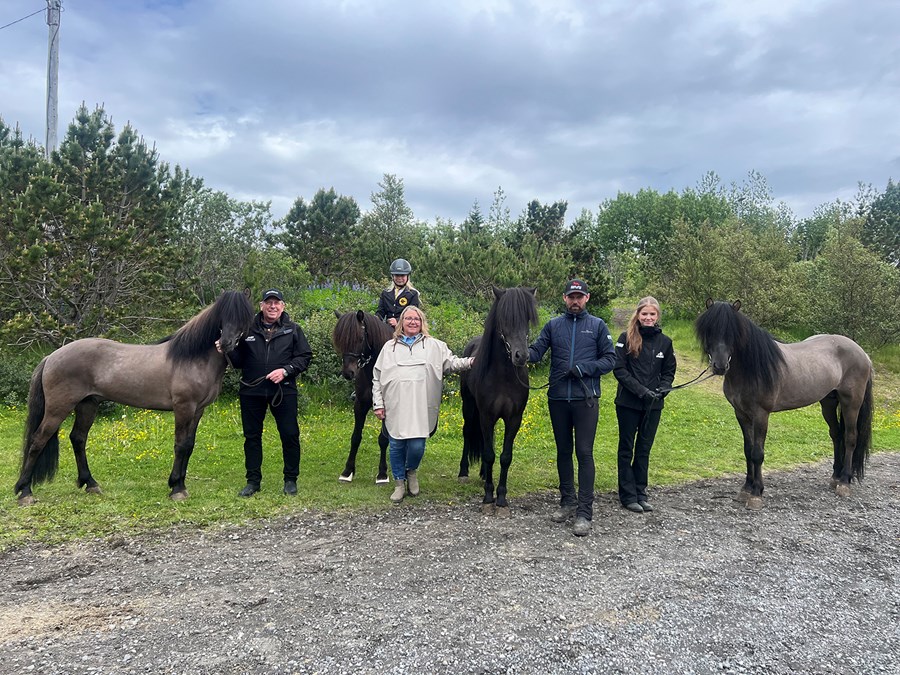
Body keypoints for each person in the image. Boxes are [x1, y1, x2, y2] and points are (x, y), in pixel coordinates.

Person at [528, 279, 616, 536]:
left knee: (585, 452)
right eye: (571, 296)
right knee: (563, 451)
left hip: (586, 399)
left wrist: (584, 368)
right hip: (557, 398)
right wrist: (517, 351)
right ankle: (567, 501)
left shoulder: (598, 326)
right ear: (564, 299)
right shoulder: (553, 325)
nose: (575, 301)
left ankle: (584, 512)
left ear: (587, 298)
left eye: (579, 296)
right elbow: (536, 352)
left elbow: (610, 359)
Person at [372, 305, 473, 504]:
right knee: (396, 445)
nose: (412, 322)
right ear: (401, 322)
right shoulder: (389, 348)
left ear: (422, 323)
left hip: (420, 406)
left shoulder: (435, 346)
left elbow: (451, 363)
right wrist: (378, 403)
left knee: (417, 446)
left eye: (416, 319)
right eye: (408, 318)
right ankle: (399, 483)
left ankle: (411, 472)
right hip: (395, 405)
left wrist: (472, 362)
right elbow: (377, 377)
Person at [224, 288, 313, 497]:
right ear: (261, 306)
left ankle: (290, 480)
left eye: (276, 303)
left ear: (282, 307)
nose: (272, 306)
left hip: (284, 391)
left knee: (290, 435)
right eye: (268, 303)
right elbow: (238, 362)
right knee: (252, 437)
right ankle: (252, 481)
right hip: (251, 391)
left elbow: (304, 357)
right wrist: (227, 349)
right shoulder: (246, 330)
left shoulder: (293, 330)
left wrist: (286, 371)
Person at [613, 296, 676, 513]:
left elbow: (669, 371)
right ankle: (628, 495)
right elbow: (619, 370)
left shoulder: (665, 342)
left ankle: (641, 491)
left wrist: (662, 390)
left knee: (644, 450)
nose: (648, 318)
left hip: (653, 406)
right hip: (628, 403)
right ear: (638, 315)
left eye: (652, 314)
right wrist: (641, 391)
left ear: (657, 316)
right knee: (626, 448)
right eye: (644, 314)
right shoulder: (625, 338)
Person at [376, 258, 420, 327]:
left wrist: (397, 321)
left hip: (405, 329)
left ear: (407, 276)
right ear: (392, 276)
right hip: (387, 328)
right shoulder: (385, 293)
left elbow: (412, 315)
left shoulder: (413, 294)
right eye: (396, 275)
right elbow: (380, 312)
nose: (399, 278)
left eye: (402, 275)